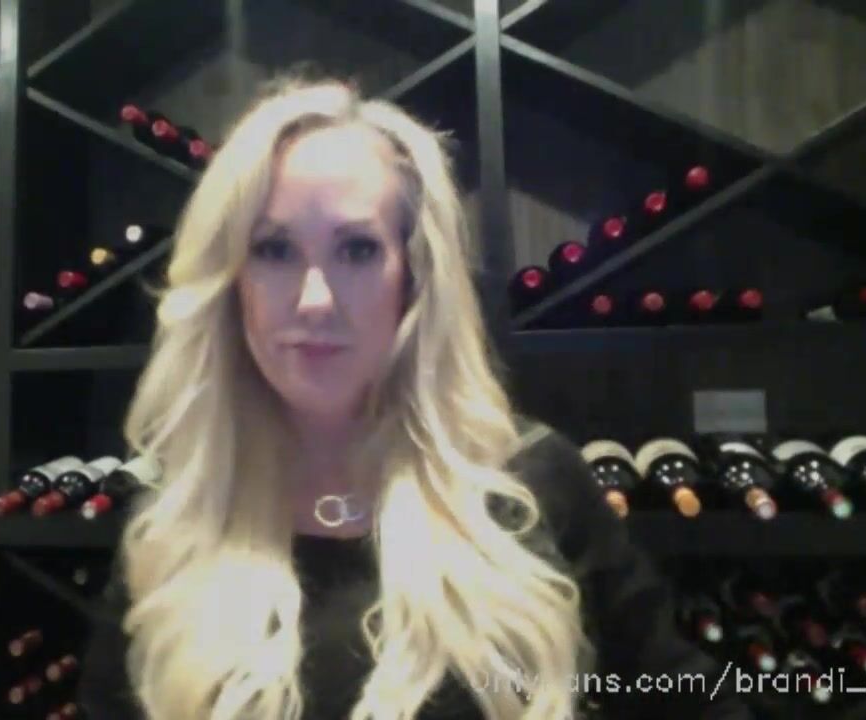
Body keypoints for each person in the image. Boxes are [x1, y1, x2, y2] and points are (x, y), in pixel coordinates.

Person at [77, 76, 752, 719]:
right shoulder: (175, 519)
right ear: (230, 282)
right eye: (274, 250)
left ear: (414, 279)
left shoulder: (531, 481)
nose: (314, 301)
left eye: (357, 250)